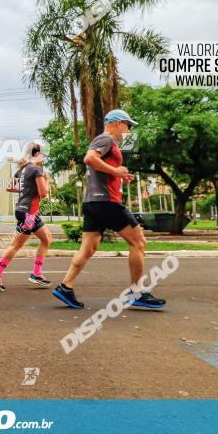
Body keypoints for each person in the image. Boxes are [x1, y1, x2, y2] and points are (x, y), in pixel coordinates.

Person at [52, 110, 166, 309]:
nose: (128, 131)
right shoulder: (106, 140)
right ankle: (137, 291)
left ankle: (65, 286)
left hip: (92, 202)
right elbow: (89, 158)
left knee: (88, 248)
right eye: (128, 126)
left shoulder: (107, 143)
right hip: (106, 202)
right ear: (119, 123)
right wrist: (115, 171)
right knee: (139, 241)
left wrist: (119, 175)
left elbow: (99, 166)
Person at [0, 141, 53, 290]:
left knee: (47, 238)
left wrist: (27, 190)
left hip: (24, 210)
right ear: (36, 154)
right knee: (16, 245)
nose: (43, 158)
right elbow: (43, 193)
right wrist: (47, 181)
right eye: (43, 155)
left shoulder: (22, 170)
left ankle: (36, 273)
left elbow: (10, 188)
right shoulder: (36, 170)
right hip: (29, 212)